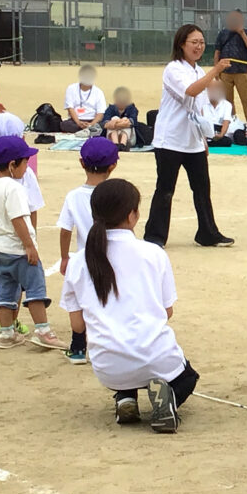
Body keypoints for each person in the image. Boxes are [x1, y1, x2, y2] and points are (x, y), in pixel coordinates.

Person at [60, 179, 199, 432]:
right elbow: (167, 312)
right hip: (157, 357)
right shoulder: (153, 253)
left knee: (122, 350)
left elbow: (77, 325)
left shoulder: (78, 262)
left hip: (108, 368)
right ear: (132, 215)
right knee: (188, 378)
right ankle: (167, 401)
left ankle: (125, 397)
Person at [143, 24, 234, 249]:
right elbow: (191, 91)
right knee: (165, 189)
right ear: (181, 44)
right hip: (171, 139)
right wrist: (216, 69)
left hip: (193, 141)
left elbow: (199, 110)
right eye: (194, 42)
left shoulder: (198, 71)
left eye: (202, 42)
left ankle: (207, 233)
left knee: (202, 189)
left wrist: (203, 140)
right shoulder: (173, 69)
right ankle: (155, 236)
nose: (198, 46)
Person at [0, 136, 66, 350]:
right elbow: (18, 219)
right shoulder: (13, 188)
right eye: (24, 163)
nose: (26, 167)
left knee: (5, 288)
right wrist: (30, 246)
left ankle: (6, 333)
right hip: (17, 248)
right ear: (12, 165)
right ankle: (43, 330)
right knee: (35, 287)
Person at [57, 137, 119, 364]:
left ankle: (78, 347)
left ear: (81, 162)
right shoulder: (115, 193)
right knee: (109, 298)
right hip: (112, 256)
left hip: (83, 257)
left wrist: (65, 257)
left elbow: (65, 230)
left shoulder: (73, 196)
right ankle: (109, 344)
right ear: (113, 165)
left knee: (76, 301)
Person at [213, 9, 247, 119]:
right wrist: (216, 70)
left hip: (241, 71)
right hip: (225, 72)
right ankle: (231, 123)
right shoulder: (223, 33)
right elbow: (217, 52)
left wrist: (242, 33)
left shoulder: (246, 32)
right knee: (227, 100)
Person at [62, 65, 107, 133]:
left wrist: (91, 124)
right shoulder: (71, 88)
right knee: (64, 125)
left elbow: (100, 113)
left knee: (104, 125)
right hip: (75, 120)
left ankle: (88, 129)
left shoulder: (98, 92)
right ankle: (88, 130)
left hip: (92, 120)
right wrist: (79, 123)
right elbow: (70, 108)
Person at [200, 79, 242, 147]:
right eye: (210, 89)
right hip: (207, 133)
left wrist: (221, 135)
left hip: (220, 133)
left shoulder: (227, 105)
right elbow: (201, 123)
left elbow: (226, 122)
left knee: (227, 141)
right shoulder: (203, 105)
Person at [100, 86, 140, 151]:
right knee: (115, 118)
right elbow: (105, 124)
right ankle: (115, 143)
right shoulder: (111, 108)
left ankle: (123, 144)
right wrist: (118, 121)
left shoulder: (132, 109)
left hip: (129, 138)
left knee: (124, 119)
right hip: (111, 137)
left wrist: (115, 123)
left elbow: (131, 122)